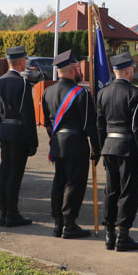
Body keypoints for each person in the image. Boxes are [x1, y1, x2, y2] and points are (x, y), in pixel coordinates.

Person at [42, 50, 101, 239]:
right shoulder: (80, 93)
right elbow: (88, 124)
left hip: (57, 144)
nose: (79, 72)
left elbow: (47, 123)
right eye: (77, 69)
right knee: (74, 185)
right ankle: (69, 224)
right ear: (73, 69)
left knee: (59, 182)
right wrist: (97, 148)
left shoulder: (47, 92)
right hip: (76, 144)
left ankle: (58, 223)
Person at [96, 51, 138, 251]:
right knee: (128, 192)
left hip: (109, 146)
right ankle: (123, 236)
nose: (133, 72)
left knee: (111, 190)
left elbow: (100, 125)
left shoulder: (103, 93)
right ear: (127, 70)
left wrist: (102, 149)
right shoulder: (136, 93)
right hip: (128, 148)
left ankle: (110, 234)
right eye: (133, 69)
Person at [0, 45, 38, 227]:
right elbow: (27, 114)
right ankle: (12, 212)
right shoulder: (23, 83)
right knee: (14, 175)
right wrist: (33, 141)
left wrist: (0, 129)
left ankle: (3, 210)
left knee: (5, 172)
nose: (26, 61)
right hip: (18, 134)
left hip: (4, 132)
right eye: (25, 59)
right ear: (20, 61)